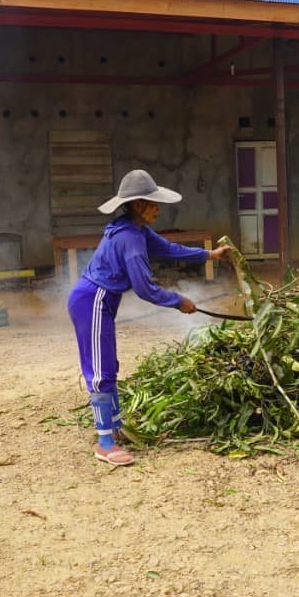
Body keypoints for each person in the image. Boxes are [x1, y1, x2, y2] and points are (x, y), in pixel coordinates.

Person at [69, 169, 232, 466]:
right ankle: (104, 442)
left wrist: (209, 256)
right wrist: (178, 301)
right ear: (138, 204)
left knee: (110, 363)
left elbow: (169, 248)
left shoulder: (136, 230)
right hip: (92, 301)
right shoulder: (130, 239)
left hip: (102, 301)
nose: (158, 208)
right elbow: (144, 288)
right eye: (153, 203)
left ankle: (115, 427)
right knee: (100, 369)